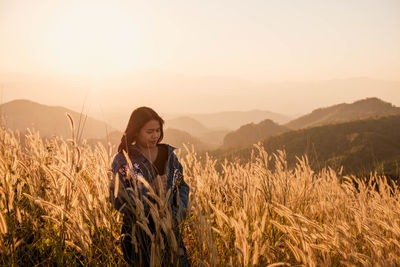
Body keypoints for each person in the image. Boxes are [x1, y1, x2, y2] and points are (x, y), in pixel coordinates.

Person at [109, 107, 190, 266]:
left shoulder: (168, 157)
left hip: (169, 231)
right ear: (136, 132)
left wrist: (175, 216)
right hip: (137, 235)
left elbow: (182, 187)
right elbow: (117, 198)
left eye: (158, 130)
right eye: (149, 131)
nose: (155, 136)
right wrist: (150, 188)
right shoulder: (124, 161)